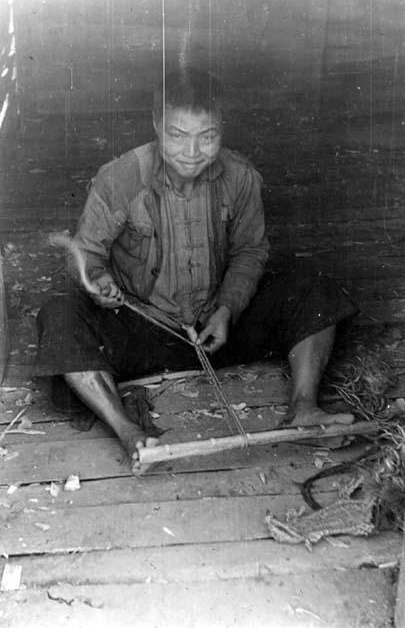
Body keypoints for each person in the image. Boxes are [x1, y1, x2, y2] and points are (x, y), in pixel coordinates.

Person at [34, 68, 357, 471]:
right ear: (156, 125)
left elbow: (250, 252)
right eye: (177, 135)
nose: (192, 152)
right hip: (143, 331)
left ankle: (304, 408)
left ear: (222, 128)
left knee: (312, 287)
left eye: (207, 137)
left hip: (216, 330)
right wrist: (98, 281)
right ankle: (129, 432)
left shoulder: (239, 177)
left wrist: (226, 309)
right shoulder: (120, 179)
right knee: (60, 315)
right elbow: (84, 253)